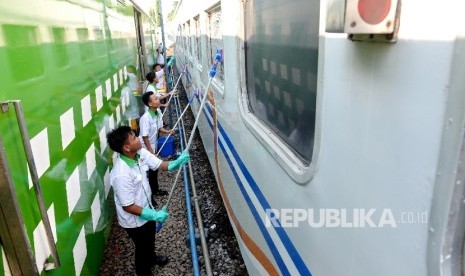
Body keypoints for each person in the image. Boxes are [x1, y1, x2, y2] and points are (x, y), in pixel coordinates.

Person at [107, 126, 190, 276]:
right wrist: (154, 215)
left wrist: (176, 163)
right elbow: (129, 207)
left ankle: (152, 258)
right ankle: (143, 271)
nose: (138, 139)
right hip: (134, 221)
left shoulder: (140, 153)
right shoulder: (121, 174)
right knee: (142, 247)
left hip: (147, 208)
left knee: (150, 239)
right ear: (126, 147)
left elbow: (160, 165)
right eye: (134, 138)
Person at [140, 91, 175, 197]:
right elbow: (145, 137)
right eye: (155, 99)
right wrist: (151, 153)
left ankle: (155, 191)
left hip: (153, 146)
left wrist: (168, 131)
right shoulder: (145, 118)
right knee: (147, 172)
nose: (158, 100)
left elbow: (160, 128)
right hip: (145, 147)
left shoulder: (158, 112)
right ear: (150, 104)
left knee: (154, 170)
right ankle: (150, 196)